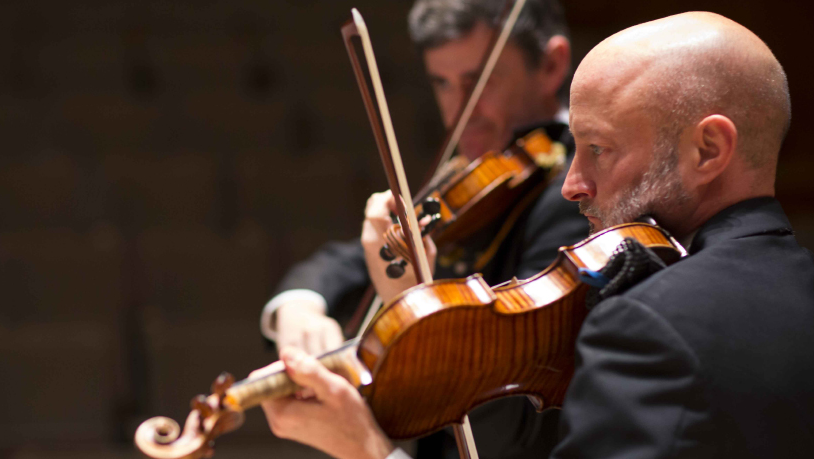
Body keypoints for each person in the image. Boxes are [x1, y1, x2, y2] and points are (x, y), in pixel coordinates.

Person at [251, 11, 814, 459]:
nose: (573, 185)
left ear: (709, 150)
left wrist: (369, 452)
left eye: (598, 149)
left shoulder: (648, 327)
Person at [259, 1, 586, 457]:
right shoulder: (467, 176)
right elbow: (353, 258)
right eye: (443, 84)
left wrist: (418, 306)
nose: (459, 111)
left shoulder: (576, 194)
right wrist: (300, 307)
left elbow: (515, 425)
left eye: (479, 82)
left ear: (551, 65)